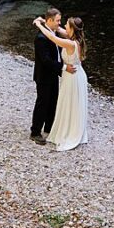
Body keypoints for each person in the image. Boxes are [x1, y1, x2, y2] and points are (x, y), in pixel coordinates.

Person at [32, 15, 89, 151]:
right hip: (75, 74)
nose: (63, 26)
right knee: (69, 103)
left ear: (72, 29)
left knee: (68, 103)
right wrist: (45, 22)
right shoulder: (76, 38)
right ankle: (61, 128)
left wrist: (39, 25)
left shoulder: (70, 43)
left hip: (72, 75)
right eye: (59, 21)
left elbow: (52, 37)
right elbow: (56, 30)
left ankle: (68, 131)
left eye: (66, 25)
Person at [29, 8, 69, 143]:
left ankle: (49, 128)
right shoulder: (41, 38)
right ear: (50, 20)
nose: (59, 23)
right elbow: (46, 60)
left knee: (53, 102)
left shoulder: (52, 31)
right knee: (42, 103)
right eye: (57, 20)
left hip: (53, 75)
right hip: (44, 76)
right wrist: (63, 68)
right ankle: (35, 131)